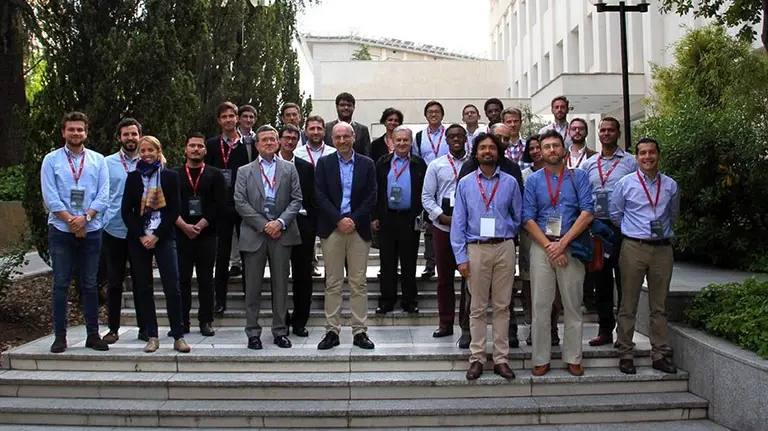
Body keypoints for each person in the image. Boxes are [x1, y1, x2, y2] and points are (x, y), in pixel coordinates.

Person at [522, 129, 594, 377]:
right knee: (541, 305)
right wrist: (551, 247)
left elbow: (587, 212)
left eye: (555, 146)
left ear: (563, 149)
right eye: (546, 147)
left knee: (573, 304)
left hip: (571, 246)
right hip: (542, 246)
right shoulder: (532, 181)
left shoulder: (579, 177)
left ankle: (573, 356)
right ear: (540, 152)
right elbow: (527, 218)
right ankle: (541, 358)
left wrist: (562, 244)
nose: (551, 150)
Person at [452, 132, 522, 381]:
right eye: (482, 148)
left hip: (503, 247)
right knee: (477, 307)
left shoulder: (511, 182)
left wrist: (505, 233)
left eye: (492, 147)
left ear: (498, 151)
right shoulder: (466, 183)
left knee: (503, 306)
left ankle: (502, 359)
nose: (487, 151)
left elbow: (518, 216)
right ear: (476, 152)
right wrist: (461, 257)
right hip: (476, 249)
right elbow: (458, 223)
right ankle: (477, 358)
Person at [41, 111, 110, 353]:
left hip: (91, 229)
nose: (76, 133)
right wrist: (71, 221)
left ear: (86, 132)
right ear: (63, 132)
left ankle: (93, 334)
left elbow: (104, 194)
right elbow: (50, 196)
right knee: (61, 283)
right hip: (61, 230)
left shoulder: (98, 160)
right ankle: (60, 336)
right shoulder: (51, 160)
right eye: (71, 129)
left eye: (80, 129)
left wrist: (86, 218)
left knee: (90, 284)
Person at [611, 137, 679, 375]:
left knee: (659, 305)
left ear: (658, 155)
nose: (647, 157)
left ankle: (659, 353)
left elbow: (673, 214)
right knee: (627, 303)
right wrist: (634, 232)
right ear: (636, 157)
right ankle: (626, 353)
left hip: (662, 249)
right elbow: (616, 214)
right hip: (633, 247)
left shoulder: (670, 185)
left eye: (651, 153)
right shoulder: (625, 184)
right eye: (642, 153)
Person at [234, 125, 303, 350]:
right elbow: (240, 203)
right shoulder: (244, 171)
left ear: (278, 142)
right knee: (252, 287)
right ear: (256, 144)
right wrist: (265, 225)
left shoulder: (289, 169)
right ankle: (253, 332)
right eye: (264, 140)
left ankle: (280, 330)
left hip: (282, 234)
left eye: (273, 139)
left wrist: (280, 222)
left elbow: (296, 200)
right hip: (255, 234)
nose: (269, 143)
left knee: (281, 286)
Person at [121, 136, 190, 353]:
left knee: (172, 286)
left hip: (163, 236)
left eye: (151, 149)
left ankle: (178, 336)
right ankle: (152, 335)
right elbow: (126, 211)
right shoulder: (132, 178)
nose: (146, 153)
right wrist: (141, 235)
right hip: (139, 239)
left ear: (158, 151)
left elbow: (174, 210)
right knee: (143, 288)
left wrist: (157, 235)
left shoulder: (170, 177)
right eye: (143, 150)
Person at [315, 122, 377, 350]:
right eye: (338, 137)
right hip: (332, 229)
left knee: (358, 283)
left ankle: (360, 331)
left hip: (358, 229)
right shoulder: (324, 163)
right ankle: (332, 331)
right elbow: (319, 195)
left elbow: (372, 195)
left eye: (346, 137)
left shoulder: (366, 164)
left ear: (353, 138)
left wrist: (353, 219)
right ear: (332, 139)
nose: (342, 141)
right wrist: (338, 219)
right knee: (332, 282)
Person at [580, 117, 638, 347]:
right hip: (598, 227)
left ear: (618, 133)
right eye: (602, 130)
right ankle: (605, 330)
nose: (605, 133)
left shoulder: (631, 162)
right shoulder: (589, 164)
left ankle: (625, 334)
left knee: (625, 281)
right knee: (601, 281)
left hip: (624, 227)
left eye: (610, 130)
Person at [421, 124, 471, 344]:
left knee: (469, 280)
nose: (456, 139)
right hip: (444, 228)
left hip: (470, 231)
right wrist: (441, 216)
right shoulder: (436, 165)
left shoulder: (474, 164)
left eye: (460, 135)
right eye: (451, 137)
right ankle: (445, 323)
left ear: (465, 139)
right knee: (444, 279)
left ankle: (466, 326)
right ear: (446, 141)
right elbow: (426, 197)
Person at [174, 132, 227, 337]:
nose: (196, 149)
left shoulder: (215, 174)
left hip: (207, 234)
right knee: (183, 280)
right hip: (181, 233)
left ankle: (205, 320)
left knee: (206, 279)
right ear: (185, 149)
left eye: (200, 146)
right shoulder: (174, 174)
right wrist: (184, 225)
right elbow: (168, 204)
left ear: (205, 150)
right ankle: (182, 321)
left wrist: (202, 224)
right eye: (192, 146)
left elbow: (220, 203)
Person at [372, 125, 427, 314]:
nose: (402, 143)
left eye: (406, 140)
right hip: (387, 218)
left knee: (409, 261)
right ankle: (387, 299)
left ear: (411, 142)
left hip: (410, 218)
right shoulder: (382, 162)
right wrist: (375, 216)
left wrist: (423, 216)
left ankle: (409, 300)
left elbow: (425, 192)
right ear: (392, 142)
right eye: (399, 140)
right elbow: (375, 190)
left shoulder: (419, 164)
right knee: (387, 262)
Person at [205, 102, 254, 314]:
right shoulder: (212, 144)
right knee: (222, 255)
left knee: (247, 254)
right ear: (219, 120)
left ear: (237, 118)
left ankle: (249, 298)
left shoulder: (248, 144)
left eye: (231, 116)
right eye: (223, 116)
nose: (228, 120)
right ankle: (220, 301)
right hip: (222, 207)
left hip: (244, 205)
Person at [102, 118, 145, 344]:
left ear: (140, 136)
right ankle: (113, 329)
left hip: (140, 230)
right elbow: (101, 193)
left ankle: (144, 327)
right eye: (126, 134)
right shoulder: (107, 163)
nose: (130, 138)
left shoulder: (149, 160)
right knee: (115, 281)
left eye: (134, 134)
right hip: (114, 229)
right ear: (119, 137)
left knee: (140, 280)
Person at [519, 136, 562, 347]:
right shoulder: (525, 176)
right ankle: (533, 327)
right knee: (531, 284)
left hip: (560, 238)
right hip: (532, 236)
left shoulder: (566, 175)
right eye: (533, 148)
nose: (536, 151)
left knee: (556, 288)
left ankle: (552, 328)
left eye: (539, 147)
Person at [276, 124, 317, 337]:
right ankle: (281, 319)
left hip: (301, 225)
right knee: (280, 275)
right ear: (279, 139)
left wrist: (311, 226)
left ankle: (300, 320)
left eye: (294, 138)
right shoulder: (269, 165)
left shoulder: (306, 167)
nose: (290, 141)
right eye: (286, 137)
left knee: (303, 276)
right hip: (276, 226)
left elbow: (312, 200)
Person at [296, 115, 336, 277]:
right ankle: (311, 265)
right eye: (312, 128)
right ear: (305, 131)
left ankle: (333, 271)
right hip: (306, 205)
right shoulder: (297, 154)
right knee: (307, 244)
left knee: (332, 244)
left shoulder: (333, 152)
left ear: (324, 131)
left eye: (319, 128)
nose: (315, 132)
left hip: (328, 204)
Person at [412, 100, 446, 280]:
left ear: (442, 115)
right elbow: (416, 160)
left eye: (437, 112)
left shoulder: (450, 134)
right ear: (425, 116)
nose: (434, 115)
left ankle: (450, 262)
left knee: (448, 221)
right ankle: (430, 264)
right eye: (430, 112)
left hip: (447, 183)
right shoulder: (419, 137)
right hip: (427, 182)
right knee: (429, 224)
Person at [323, 92, 372, 157]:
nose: (346, 108)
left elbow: (367, 154)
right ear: (337, 107)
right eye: (342, 105)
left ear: (353, 107)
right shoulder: (327, 128)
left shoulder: (362, 130)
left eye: (349, 105)